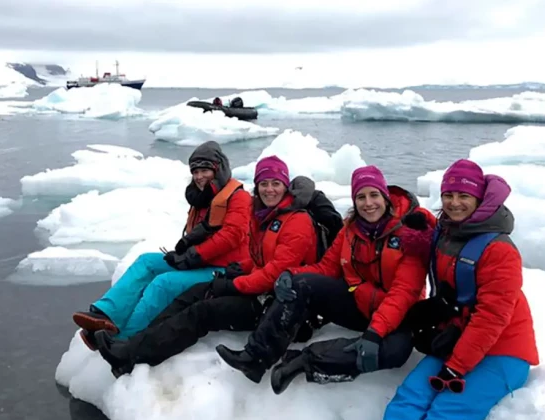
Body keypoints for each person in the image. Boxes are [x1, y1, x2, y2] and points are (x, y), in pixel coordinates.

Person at [92, 156, 343, 377]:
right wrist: (240, 267)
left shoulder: (296, 222)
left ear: (285, 187)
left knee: (203, 312)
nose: (269, 190)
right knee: (193, 294)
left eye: (275, 184)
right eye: (264, 184)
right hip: (260, 288)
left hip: (278, 304)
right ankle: (134, 345)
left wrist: (233, 283)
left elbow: (275, 273)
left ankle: (133, 355)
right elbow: (260, 260)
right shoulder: (266, 216)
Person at [216, 165, 436, 393]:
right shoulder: (350, 230)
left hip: (398, 315)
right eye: (361, 197)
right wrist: (290, 274)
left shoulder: (411, 234)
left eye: (374, 195)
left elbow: (404, 292)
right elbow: (327, 268)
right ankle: (255, 357)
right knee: (302, 285)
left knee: (394, 352)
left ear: (385, 197)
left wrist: (375, 332)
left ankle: (303, 361)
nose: (368, 203)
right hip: (359, 304)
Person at [380, 159, 539, 420]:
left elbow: (492, 317)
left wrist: (456, 366)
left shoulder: (499, 250)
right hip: (458, 338)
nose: (454, 203)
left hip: (503, 350)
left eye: (464, 195)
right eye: (448, 195)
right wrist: (423, 221)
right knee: (408, 401)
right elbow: (437, 231)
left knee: (445, 415)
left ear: (480, 199)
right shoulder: (448, 231)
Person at [72, 141, 252, 348]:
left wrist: (193, 256)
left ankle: (123, 339)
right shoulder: (204, 199)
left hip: (225, 269)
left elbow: (232, 235)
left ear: (218, 169)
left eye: (205, 170)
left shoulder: (239, 198)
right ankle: (106, 315)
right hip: (203, 261)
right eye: (195, 172)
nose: (200, 177)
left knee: (164, 283)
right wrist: (183, 254)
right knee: (146, 262)